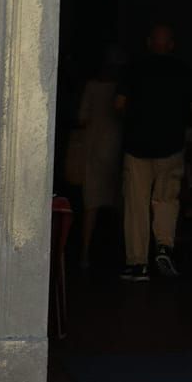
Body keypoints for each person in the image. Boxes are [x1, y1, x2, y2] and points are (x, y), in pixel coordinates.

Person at [116, 24, 192, 281]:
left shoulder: (133, 68)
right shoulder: (184, 71)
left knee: (136, 204)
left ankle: (137, 264)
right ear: (171, 45)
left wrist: (134, 120)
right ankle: (164, 246)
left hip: (137, 147)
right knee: (167, 199)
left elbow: (119, 105)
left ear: (149, 43)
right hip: (170, 146)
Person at [72, 45, 125, 269]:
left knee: (91, 205)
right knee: (122, 205)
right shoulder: (122, 89)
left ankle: (84, 254)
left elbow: (82, 117)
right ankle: (125, 254)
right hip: (118, 149)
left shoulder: (92, 87)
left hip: (94, 149)